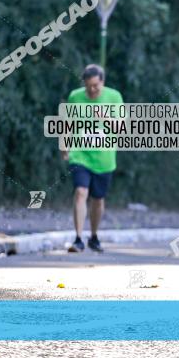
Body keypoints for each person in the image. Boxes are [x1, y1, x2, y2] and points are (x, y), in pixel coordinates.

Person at [62, 64, 124, 253]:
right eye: (88, 86)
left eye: (96, 86)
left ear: (102, 82)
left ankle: (94, 236)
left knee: (98, 199)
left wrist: (105, 117)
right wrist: (64, 145)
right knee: (81, 192)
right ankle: (78, 238)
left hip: (104, 158)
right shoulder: (75, 97)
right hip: (80, 154)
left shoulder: (114, 97)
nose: (92, 90)